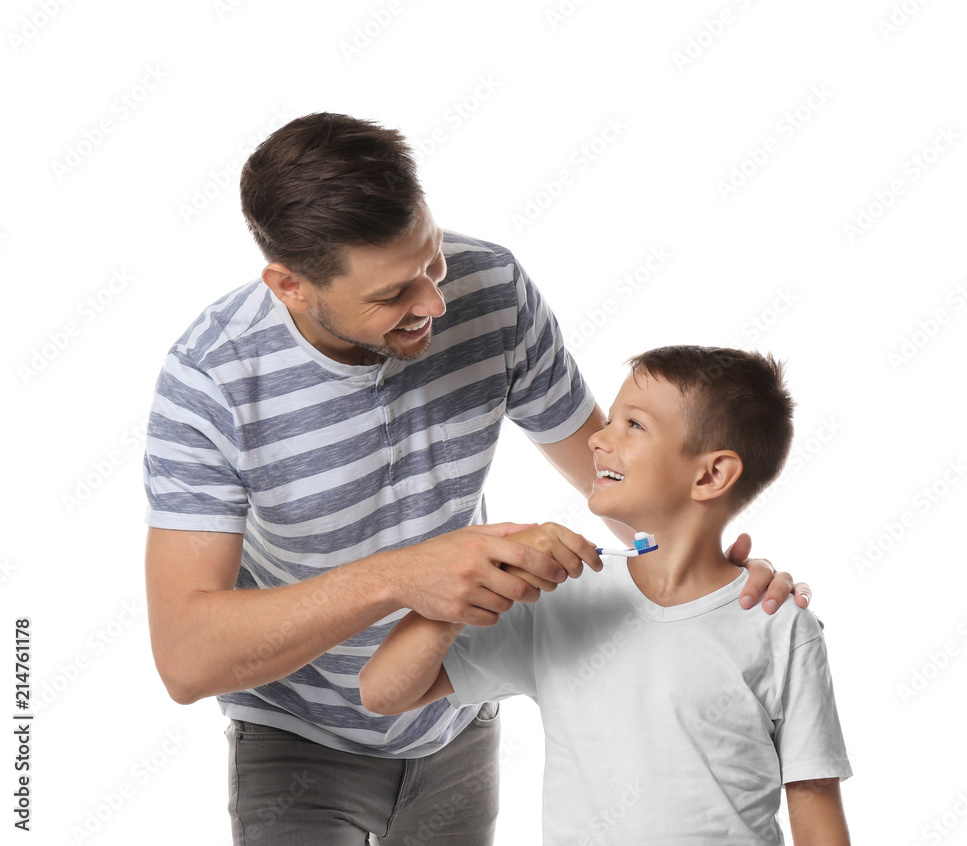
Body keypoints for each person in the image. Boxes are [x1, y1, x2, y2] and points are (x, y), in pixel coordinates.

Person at [143, 112, 808, 845]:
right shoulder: (211, 378)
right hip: (297, 738)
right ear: (290, 285)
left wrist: (718, 581)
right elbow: (184, 657)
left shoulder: (492, 288)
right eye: (395, 294)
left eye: (432, 260)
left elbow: (614, 476)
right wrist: (400, 577)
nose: (434, 302)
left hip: (456, 720)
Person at [360, 346, 851, 845]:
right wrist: (476, 579)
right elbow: (383, 691)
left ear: (711, 475)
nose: (597, 438)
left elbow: (813, 801)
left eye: (633, 425)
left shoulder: (781, 625)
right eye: (610, 419)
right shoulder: (559, 599)